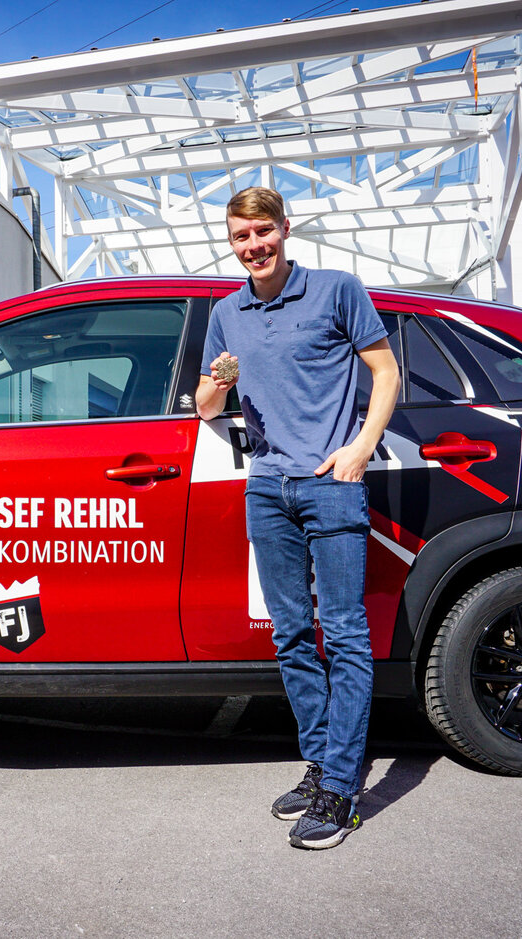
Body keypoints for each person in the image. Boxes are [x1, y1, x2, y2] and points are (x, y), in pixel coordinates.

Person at [196, 187, 399, 850]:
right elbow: (204, 406)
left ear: (285, 229)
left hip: (330, 484)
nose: (253, 245)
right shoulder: (227, 311)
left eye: (262, 231)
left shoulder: (338, 289)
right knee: (289, 634)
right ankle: (321, 767)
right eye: (239, 236)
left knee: (342, 634)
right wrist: (219, 383)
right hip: (266, 488)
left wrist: (361, 447)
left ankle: (342, 788)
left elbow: (385, 371)